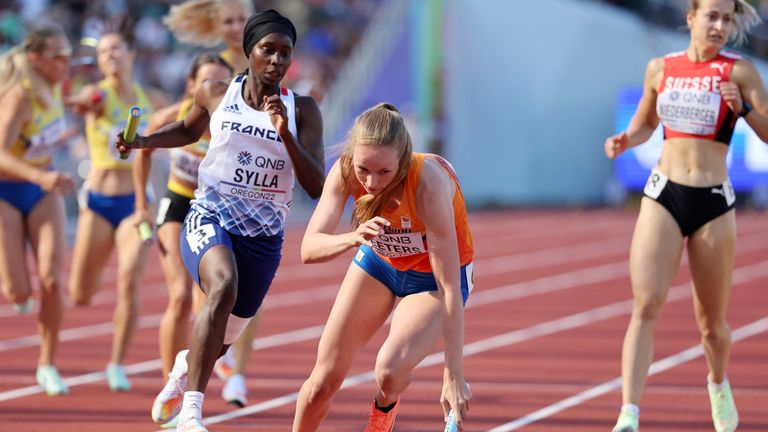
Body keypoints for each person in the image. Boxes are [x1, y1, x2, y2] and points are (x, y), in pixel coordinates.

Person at [117, 10, 324, 431]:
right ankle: (192, 412)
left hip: (264, 238)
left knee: (222, 338)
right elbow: (188, 130)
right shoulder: (216, 92)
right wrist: (144, 142)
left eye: (286, 53)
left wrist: (285, 134)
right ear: (249, 51)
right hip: (210, 215)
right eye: (268, 50)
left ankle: (184, 367)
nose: (276, 61)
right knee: (222, 285)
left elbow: (317, 185)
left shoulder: (302, 110)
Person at [603, 1, 765, 431]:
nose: (720, 25)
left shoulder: (740, 72)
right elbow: (644, 125)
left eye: (727, 19)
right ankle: (628, 414)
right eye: (712, 16)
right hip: (664, 194)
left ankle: (717, 382)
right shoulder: (661, 67)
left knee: (711, 325)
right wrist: (625, 139)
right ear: (691, 18)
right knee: (646, 302)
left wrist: (745, 111)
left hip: (712, 200)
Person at [292, 103, 473, 432]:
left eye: (384, 172)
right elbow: (309, 248)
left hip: (431, 279)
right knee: (321, 382)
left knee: (389, 372)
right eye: (364, 169)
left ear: (403, 159)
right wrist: (350, 239)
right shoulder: (347, 171)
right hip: (379, 264)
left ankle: (384, 409)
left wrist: (453, 375)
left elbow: (448, 288)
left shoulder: (427, 184)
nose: (372, 182)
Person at [164, 0, 262, 406]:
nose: (236, 27)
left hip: (242, 200)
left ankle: (235, 372)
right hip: (191, 199)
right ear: (217, 26)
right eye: (229, 21)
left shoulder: (266, 64)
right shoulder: (212, 71)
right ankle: (180, 372)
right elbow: (183, 117)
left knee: (244, 294)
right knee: (196, 293)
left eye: (243, 20)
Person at [67, 29, 167, 392]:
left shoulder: (150, 99)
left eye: (115, 49)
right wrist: (79, 101)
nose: (110, 56)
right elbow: (81, 99)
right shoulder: (98, 95)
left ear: (131, 54)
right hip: (97, 203)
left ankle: (117, 364)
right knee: (80, 293)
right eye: (104, 52)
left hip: (136, 204)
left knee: (129, 280)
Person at [131, 53, 232, 385]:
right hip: (177, 206)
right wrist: (141, 204)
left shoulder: (234, 127)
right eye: (208, 82)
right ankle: (169, 386)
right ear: (192, 85)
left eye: (223, 83)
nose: (216, 89)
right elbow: (141, 152)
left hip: (213, 214)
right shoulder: (170, 117)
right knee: (179, 295)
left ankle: (189, 374)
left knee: (207, 302)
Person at [0, 27, 75, 396]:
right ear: (36, 59)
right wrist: (36, 176)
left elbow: (42, 134)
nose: (67, 62)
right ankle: (16, 291)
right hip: (7, 191)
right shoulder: (19, 96)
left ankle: (47, 363)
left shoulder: (56, 88)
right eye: (59, 56)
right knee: (17, 291)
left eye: (68, 55)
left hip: (43, 189)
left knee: (53, 280)